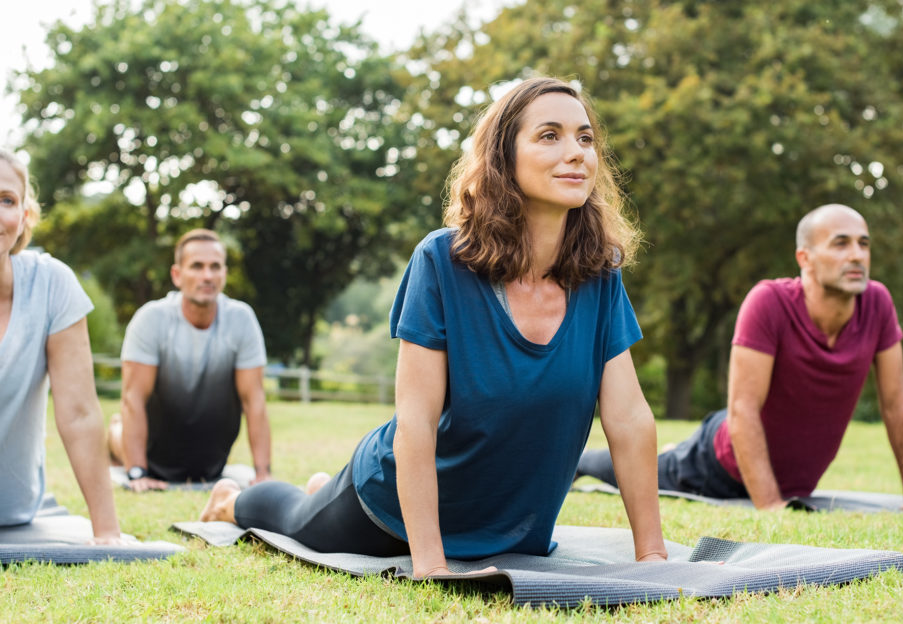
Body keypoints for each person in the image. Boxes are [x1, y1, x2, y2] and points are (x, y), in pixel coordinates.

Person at [199, 77, 668, 577]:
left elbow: (629, 419)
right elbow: (416, 423)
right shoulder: (442, 261)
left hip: (510, 526)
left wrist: (653, 556)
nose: (576, 152)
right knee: (294, 518)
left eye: (585, 138)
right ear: (502, 158)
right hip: (391, 512)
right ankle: (231, 500)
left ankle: (319, 486)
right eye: (549, 135)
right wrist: (429, 564)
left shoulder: (599, 276)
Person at [577, 204, 903, 511]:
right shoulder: (769, 302)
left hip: (789, 477)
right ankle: (580, 462)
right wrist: (771, 506)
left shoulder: (877, 303)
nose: (856, 255)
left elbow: (897, 404)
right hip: (717, 465)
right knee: (640, 469)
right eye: (840, 244)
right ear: (805, 257)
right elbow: (743, 410)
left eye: (864, 244)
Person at [0, 148, 125, 542]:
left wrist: (107, 532)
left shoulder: (51, 284)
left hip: (12, 509)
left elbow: (80, 413)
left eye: (6, 200)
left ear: (24, 217)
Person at [108, 229, 272, 491]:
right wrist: (137, 472)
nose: (207, 275)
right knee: (120, 431)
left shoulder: (242, 319)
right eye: (197, 266)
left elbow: (254, 399)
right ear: (177, 275)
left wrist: (263, 473)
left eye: (215, 267)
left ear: (224, 274)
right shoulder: (150, 319)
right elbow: (133, 398)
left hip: (209, 461)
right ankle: (115, 434)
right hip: (153, 451)